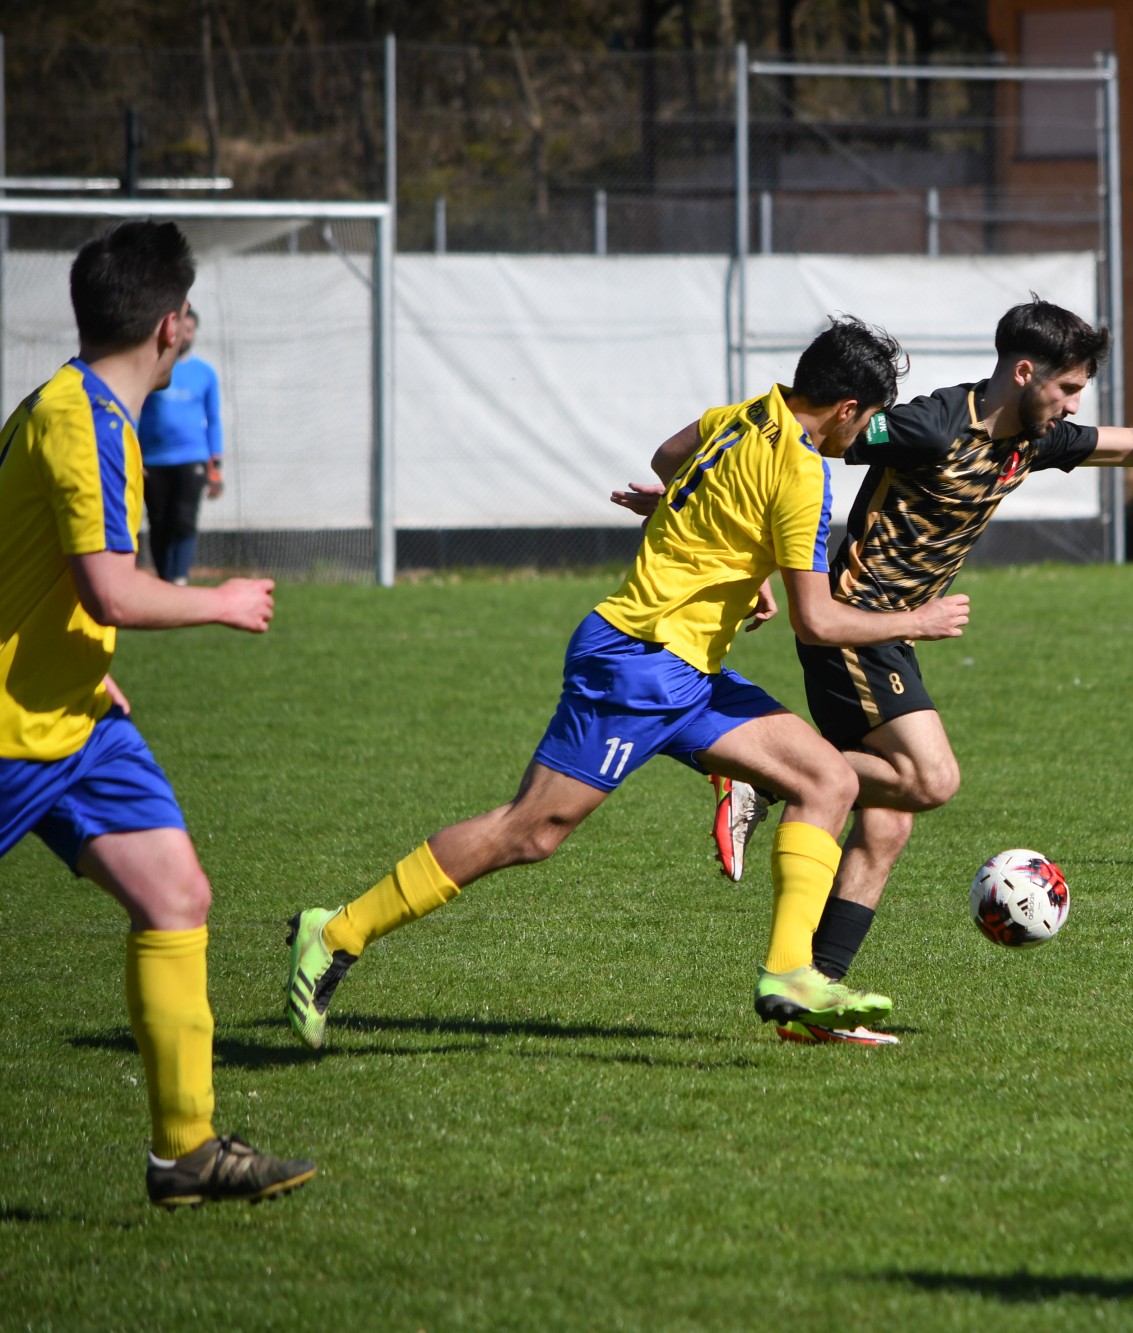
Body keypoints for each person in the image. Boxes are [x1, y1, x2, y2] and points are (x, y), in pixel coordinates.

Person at [283, 319, 972, 1050]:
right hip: (639, 662)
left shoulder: (737, 416)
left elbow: (667, 458)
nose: (856, 436)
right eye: (863, 419)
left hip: (688, 669)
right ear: (846, 408)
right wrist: (917, 619)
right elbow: (817, 621)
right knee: (531, 830)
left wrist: (722, 544)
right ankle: (335, 931)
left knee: (826, 780)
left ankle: (792, 975)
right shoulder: (806, 473)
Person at [617, 299, 1133, 1042]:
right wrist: (696, 503)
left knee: (887, 822)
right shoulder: (927, 425)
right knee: (932, 778)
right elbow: (814, 436)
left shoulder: (1033, 438)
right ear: (1025, 373)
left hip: (892, 638)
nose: (1076, 404)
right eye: (1068, 389)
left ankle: (813, 996)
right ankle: (765, 774)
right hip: (853, 624)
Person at [0, 221, 313, 1208]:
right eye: (193, 311)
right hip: (10, 730)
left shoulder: (77, 407)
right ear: (172, 324)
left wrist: (84, 668)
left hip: (79, 717)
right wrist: (220, 600)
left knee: (176, 894)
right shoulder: (78, 419)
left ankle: (186, 1152)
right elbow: (114, 593)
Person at [136, 306, 223, 585]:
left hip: (191, 457)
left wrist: (215, 464)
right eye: (181, 329)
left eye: (190, 329)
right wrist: (134, 455)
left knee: (184, 519)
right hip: (154, 459)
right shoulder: (154, 371)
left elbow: (214, 420)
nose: (185, 335)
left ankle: (180, 577)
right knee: (159, 521)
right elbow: (135, 413)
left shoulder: (205, 373)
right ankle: (163, 579)